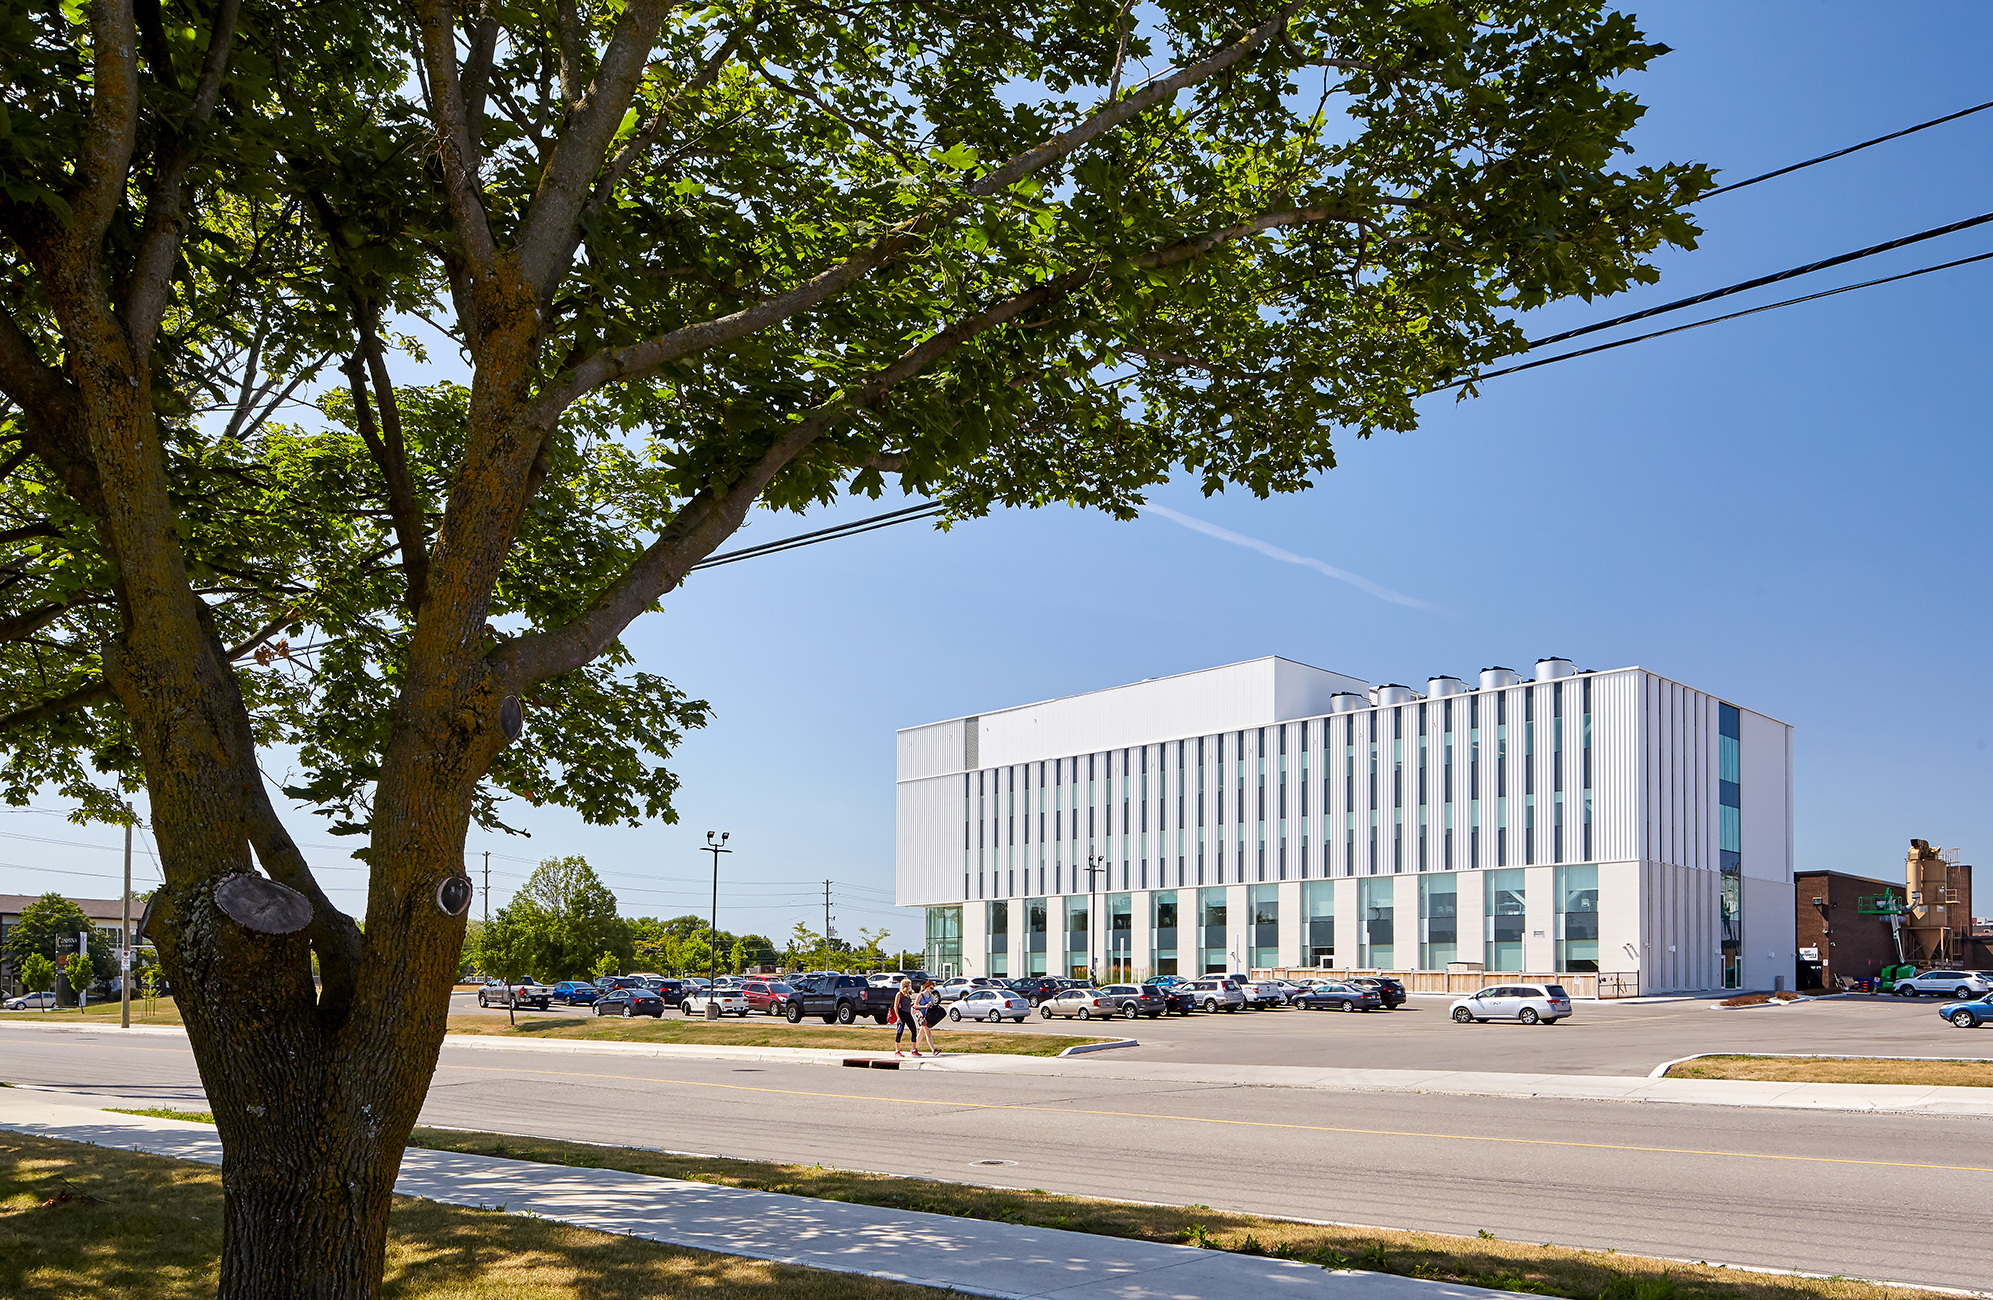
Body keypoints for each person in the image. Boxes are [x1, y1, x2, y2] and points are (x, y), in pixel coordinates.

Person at [914, 979, 942, 1056]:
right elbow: (915, 1006)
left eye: (933, 988)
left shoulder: (931, 996)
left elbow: (932, 1006)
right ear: (927, 987)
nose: (931, 990)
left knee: (921, 1034)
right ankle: (933, 1050)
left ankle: (914, 1048)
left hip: (928, 1016)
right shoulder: (921, 995)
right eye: (931, 988)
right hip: (922, 1017)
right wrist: (924, 1006)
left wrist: (931, 1005)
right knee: (928, 1033)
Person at [892, 978, 917, 1056]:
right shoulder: (899, 994)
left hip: (908, 1014)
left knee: (913, 1029)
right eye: (909, 984)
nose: (910, 986)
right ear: (906, 985)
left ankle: (913, 1049)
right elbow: (895, 1006)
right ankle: (897, 1050)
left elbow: (908, 1004)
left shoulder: (908, 995)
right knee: (900, 1032)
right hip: (901, 1014)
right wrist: (898, 1017)